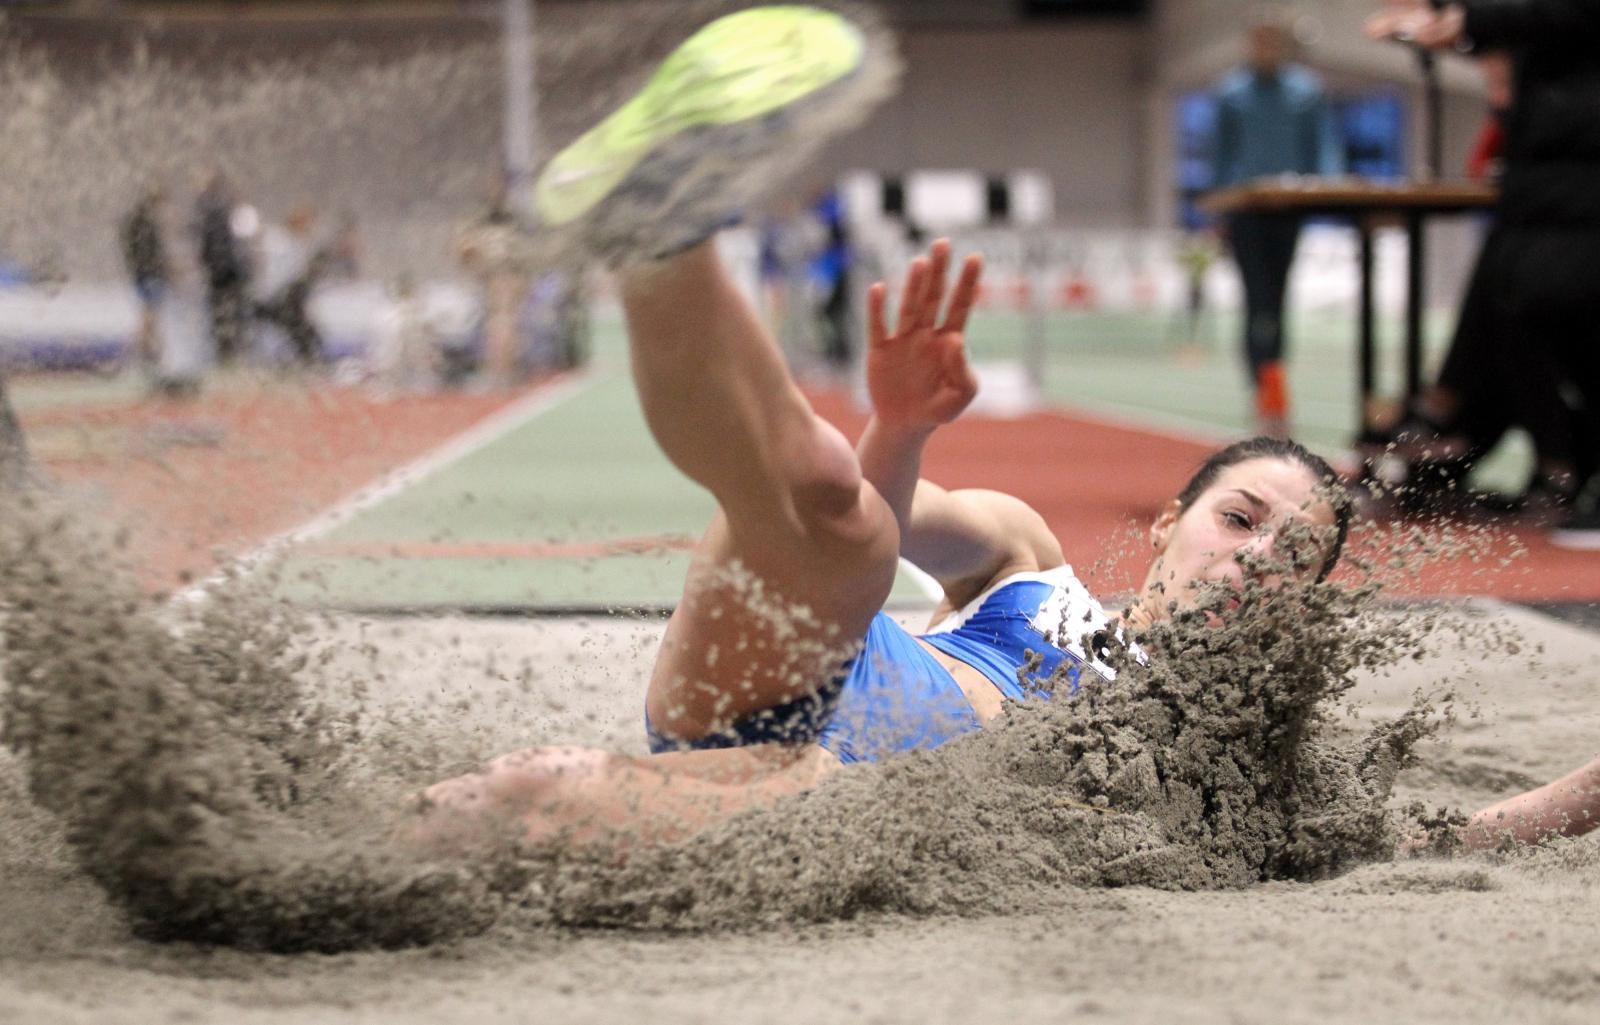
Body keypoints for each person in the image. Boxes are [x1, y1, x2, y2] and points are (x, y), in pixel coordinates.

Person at [396, 5, 1600, 859]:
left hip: (832, 795)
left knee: (538, 799)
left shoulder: (1241, 737)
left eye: (1290, 557)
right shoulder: (1032, 560)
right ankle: (660, 235)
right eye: (1239, 518)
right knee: (831, 493)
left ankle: (375, 850)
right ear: (1170, 520)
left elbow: (1409, 835)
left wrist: (1585, 790)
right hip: (794, 665)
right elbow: (869, 534)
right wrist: (900, 425)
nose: (1252, 558)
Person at [1366, 1, 1600, 546]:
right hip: (1552, 159)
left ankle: (1447, 415)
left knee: (1549, 301)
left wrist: (1471, 22)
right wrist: (1452, 20)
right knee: (1518, 301)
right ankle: (1466, 425)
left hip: (1575, 161)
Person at [1213, 14, 1344, 438]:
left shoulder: (1306, 92)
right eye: (1259, 42)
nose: (1265, 50)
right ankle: (1262, 395)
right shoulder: (1231, 92)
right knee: (1257, 304)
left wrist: (1330, 192)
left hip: (1288, 210)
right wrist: (1218, 208)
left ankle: (1274, 391)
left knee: (1278, 302)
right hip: (1245, 211)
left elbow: (1322, 148)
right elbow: (1221, 156)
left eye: (1273, 42)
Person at [192, 170, 254, 365]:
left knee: (224, 314)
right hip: (228, 270)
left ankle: (228, 353)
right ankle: (232, 352)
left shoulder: (210, 207)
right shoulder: (228, 207)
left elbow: (208, 240)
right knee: (232, 314)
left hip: (222, 271)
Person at [119, 184, 172, 378]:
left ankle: (148, 358)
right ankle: (143, 358)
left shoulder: (136, 221)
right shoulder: (146, 223)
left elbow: (133, 251)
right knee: (150, 320)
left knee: (149, 319)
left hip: (143, 275)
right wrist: (161, 270)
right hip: (149, 276)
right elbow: (152, 253)